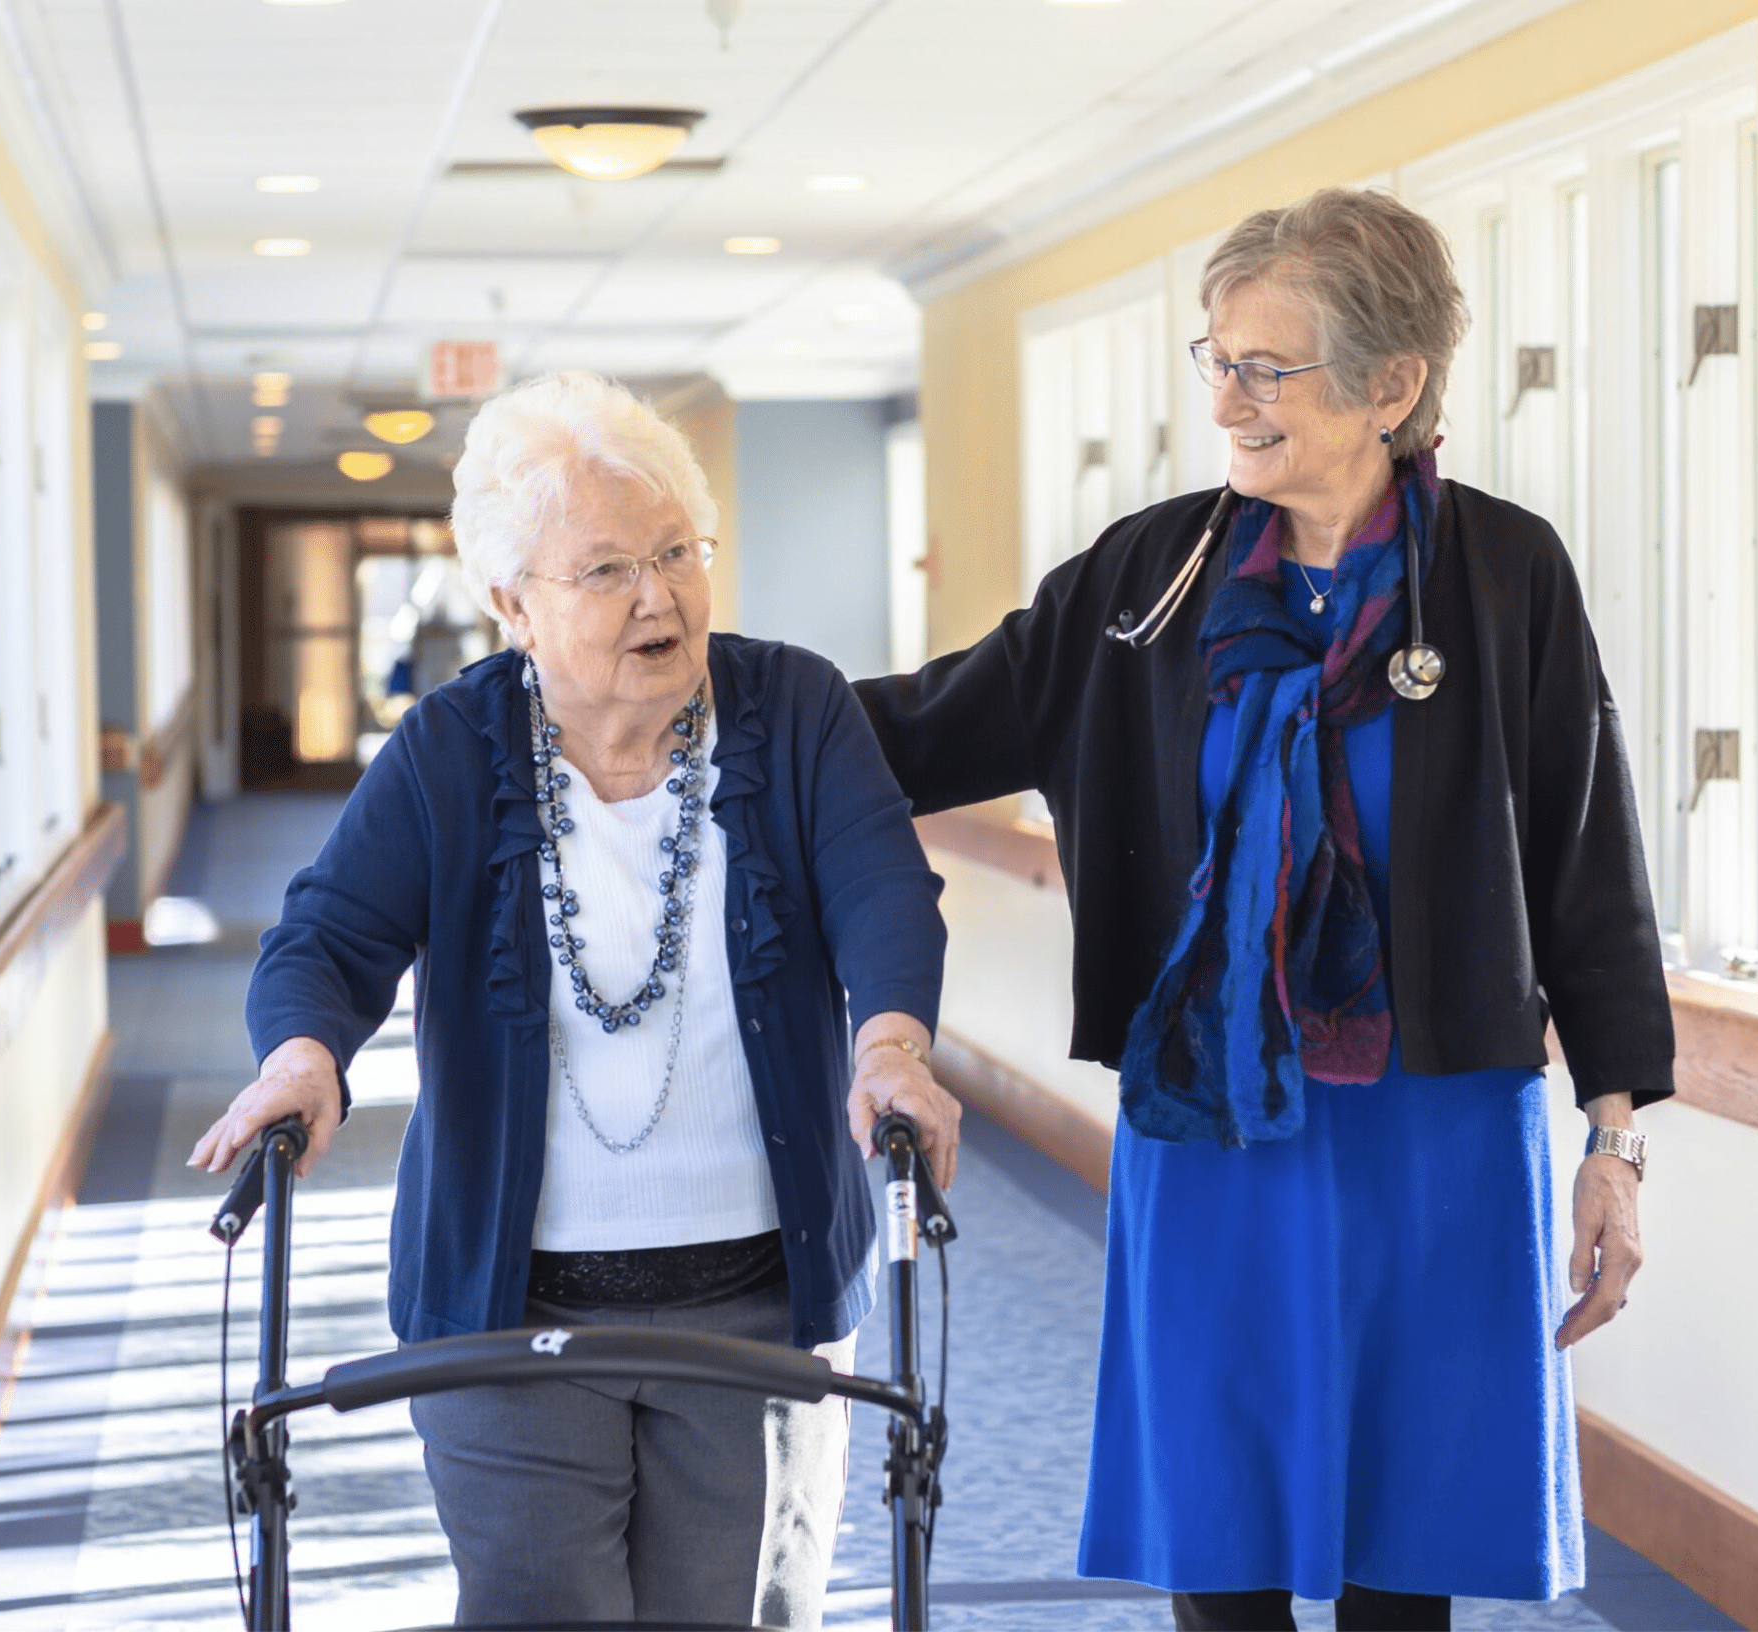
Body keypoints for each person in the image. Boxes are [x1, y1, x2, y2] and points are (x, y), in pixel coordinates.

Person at [854, 188, 1673, 1632]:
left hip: (1436, 1125)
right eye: (1215, 359)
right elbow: (917, 728)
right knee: (1217, 1525)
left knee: (1402, 1528)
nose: (1227, 397)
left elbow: (1584, 867)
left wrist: (1611, 1147)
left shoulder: (1501, 576)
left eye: (1265, 366)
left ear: (1392, 384)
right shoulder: (1149, 579)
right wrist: (681, 691)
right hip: (1210, 1109)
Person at [192, 370, 962, 1630]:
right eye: (606, 570)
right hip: (511, 1314)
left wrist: (889, 1044)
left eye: (677, 553)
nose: (657, 595)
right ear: (513, 604)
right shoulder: (450, 747)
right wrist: (300, 1059)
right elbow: (327, 935)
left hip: (760, 1305)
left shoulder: (797, 708)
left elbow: (883, 890)